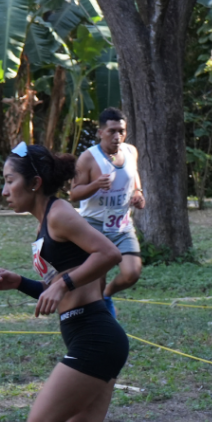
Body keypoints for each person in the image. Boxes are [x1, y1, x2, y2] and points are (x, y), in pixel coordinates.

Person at [0, 141, 162, 422]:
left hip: (95, 335)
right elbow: (63, 287)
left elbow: (109, 254)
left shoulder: (60, 213)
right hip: (90, 332)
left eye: (9, 181)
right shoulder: (46, 222)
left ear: (34, 183)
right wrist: (22, 283)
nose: (4, 190)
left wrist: (62, 283)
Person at [69, 108, 145, 318]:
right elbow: (74, 194)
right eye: (112, 131)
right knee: (97, 279)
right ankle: (103, 315)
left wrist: (138, 193)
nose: (117, 136)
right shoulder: (88, 158)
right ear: (100, 132)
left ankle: (107, 294)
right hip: (94, 227)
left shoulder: (130, 151)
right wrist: (95, 185)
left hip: (122, 225)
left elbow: (134, 175)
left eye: (121, 131)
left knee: (132, 273)